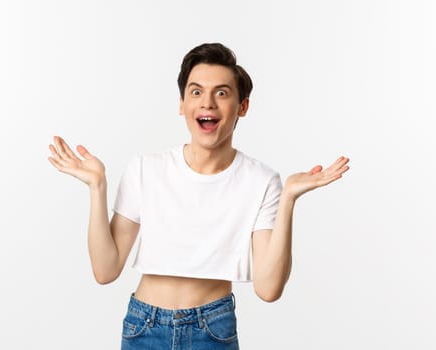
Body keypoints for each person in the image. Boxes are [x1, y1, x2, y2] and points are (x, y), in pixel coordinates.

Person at [48, 42, 349, 349]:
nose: (208, 103)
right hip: (144, 327)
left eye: (221, 92)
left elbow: (269, 289)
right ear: (182, 104)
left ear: (242, 106)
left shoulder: (261, 181)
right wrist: (97, 187)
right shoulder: (145, 169)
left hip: (212, 331)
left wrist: (288, 200)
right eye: (196, 92)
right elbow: (105, 270)